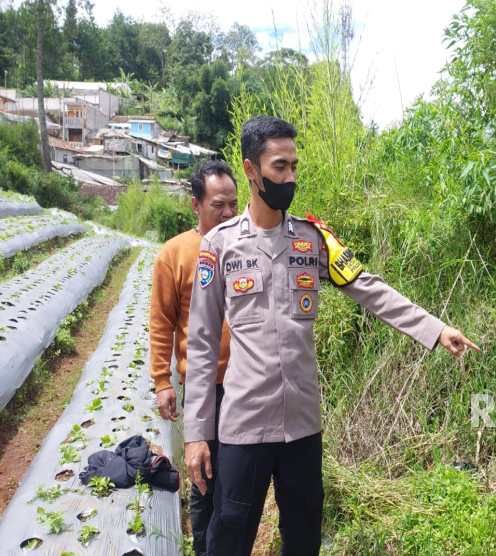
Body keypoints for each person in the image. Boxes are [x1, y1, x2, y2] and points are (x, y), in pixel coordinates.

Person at [184, 116, 480, 556]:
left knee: (303, 539)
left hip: (302, 426)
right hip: (243, 426)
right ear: (251, 170)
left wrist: (435, 330)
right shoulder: (220, 246)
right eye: (280, 167)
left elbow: (369, 288)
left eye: (294, 167)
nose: (291, 178)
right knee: (229, 539)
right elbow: (203, 343)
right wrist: (195, 434)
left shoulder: (313, 240)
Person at [149, 160, 238, 556]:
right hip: (206, 388)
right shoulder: (176, 254)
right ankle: (204, 548)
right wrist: (163, 381)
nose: (229, 213)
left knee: (241, 480)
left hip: (249, 386)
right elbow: (162, 321)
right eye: (219, 204)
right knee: (204, 476)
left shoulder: (243, 244)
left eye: (235, 204)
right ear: (195, 205)